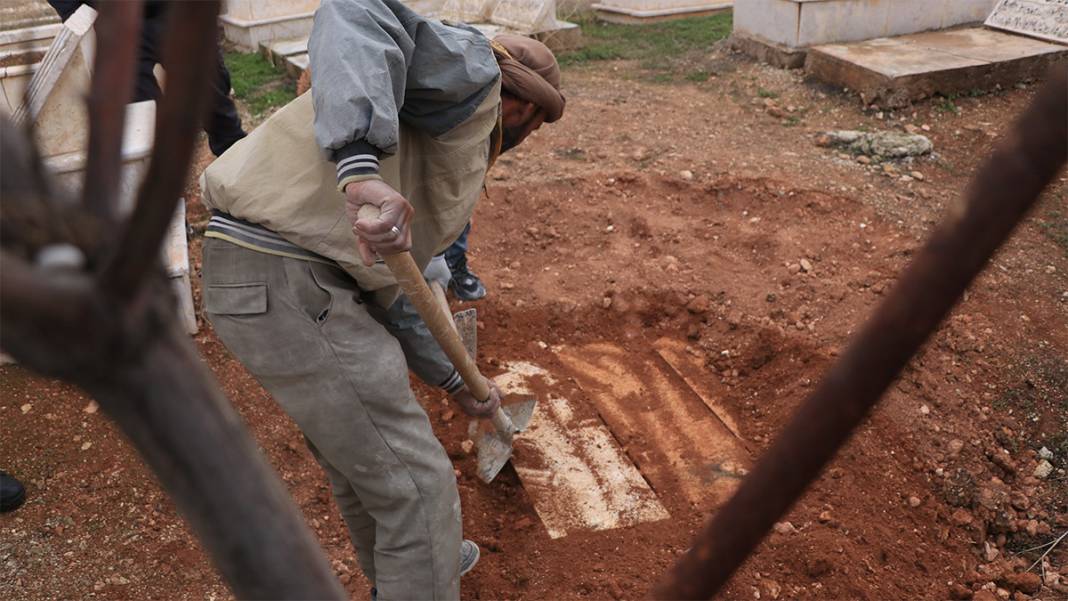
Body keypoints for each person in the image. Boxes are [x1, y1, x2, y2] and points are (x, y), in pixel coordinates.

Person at [197, 1, 565, 599]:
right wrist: (359, 165)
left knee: (364, 462)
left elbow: (401, 295)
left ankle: (407, 572)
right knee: (418, 485)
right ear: (524, 106)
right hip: (289, 278)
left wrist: (457, 382)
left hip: (267, 281)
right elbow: (353, 9)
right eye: (536, 124)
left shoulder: (433, 139)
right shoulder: (476, 76)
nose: (526, 137)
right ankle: (422, 564)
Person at [48, 0, 247, 156]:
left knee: (214, 101)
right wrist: (75, 14)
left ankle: (238, 184)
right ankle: (165, 197)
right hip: (116, 25)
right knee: (141, 117)